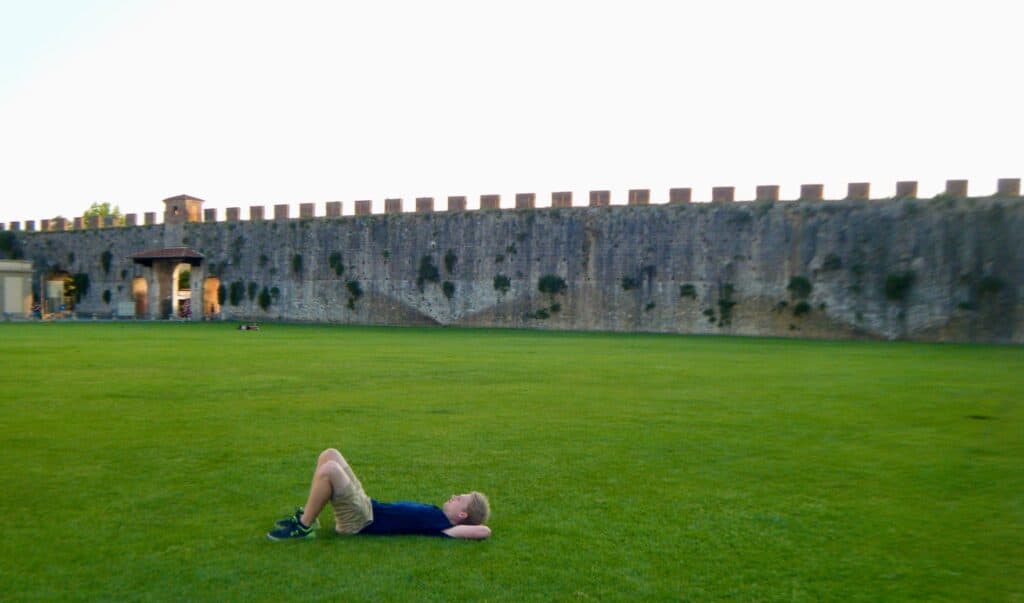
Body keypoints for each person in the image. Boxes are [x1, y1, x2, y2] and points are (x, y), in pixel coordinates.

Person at [267, 448, 491, 541]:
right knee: (330, 454)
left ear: (461, 515)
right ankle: (310, 516)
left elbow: (484, 530)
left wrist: (461, 526)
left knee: (330, 470)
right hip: (366, 505)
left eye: (459, 499)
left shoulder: (443, 526)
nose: (454, 496)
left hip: (361, 520)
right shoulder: (435, 514)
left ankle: (303, 527)